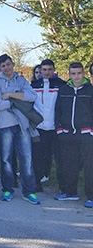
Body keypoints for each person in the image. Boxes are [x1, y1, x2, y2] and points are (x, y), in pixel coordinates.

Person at [0, 54, 40, 204]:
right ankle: (7, 189)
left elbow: (32, 96)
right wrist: (14, 103)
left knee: (26, 158)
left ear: (13, 64)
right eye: (3, 66)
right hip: (4, 125)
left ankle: (29, 191)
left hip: (22, 125)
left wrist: (10, 95)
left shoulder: (21, 80)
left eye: (8, 64)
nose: (6, 68)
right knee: (6, 159)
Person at [55, 62, 93, 208]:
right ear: (69, 74)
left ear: (83, 74)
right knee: (69, 164)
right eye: (73, 73)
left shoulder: (90, 90)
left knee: (89, 167)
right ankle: (70, 192)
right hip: (67, 134)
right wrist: (59, 129)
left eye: (79, 73)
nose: (76, 76)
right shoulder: (63, 90)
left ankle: (91, 196)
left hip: (86, 134)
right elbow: (57, 110)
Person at [31, 59, 65, 192]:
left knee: (60, 158)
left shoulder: (61, 85)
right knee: (38, 157)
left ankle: (63, 186)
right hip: (40, 128)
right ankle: (36, 183)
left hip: (56, 128)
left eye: (50, 69)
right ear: (41, 70)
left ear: (54, 70)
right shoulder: (34, 86)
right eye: (44, 70)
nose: (47, 72)